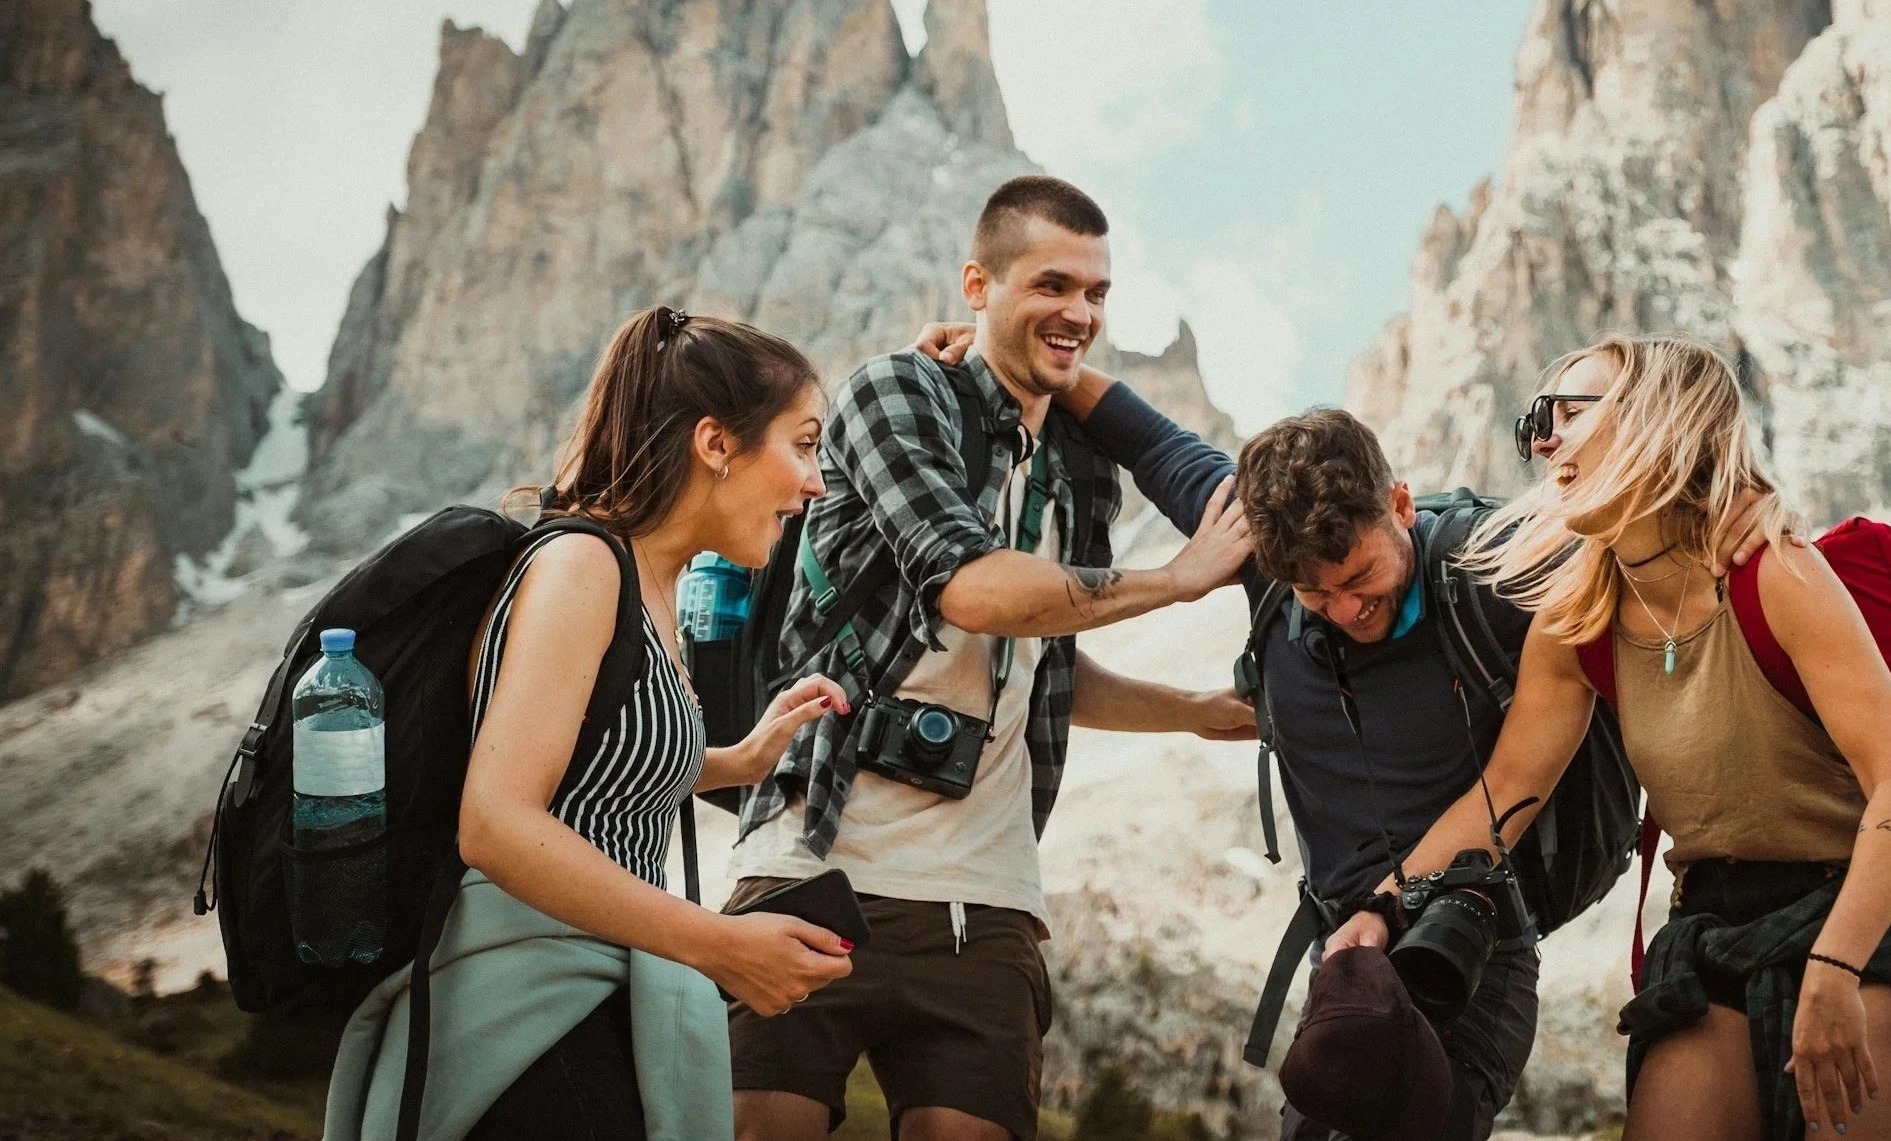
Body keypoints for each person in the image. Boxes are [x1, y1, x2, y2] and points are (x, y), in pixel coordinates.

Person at [903, 329, 1637, 1141]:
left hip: (1469, 941)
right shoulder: (1260, 557)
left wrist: (1390, 908)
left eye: (1362, 577)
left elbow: (1537, 745)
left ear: (1399, 503)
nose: (1349, 610)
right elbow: (1149, 439)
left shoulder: (1494, 565)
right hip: (1349, 958)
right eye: (1314, 595)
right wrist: (1012, 347)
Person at [1335, 335, 1891, 1141]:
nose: (1542, 440)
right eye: (1534, 423)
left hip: (1860, 905)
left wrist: (1836, 967)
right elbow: (1505, 790)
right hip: (1711, 921)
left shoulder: (1776, 573)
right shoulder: (1576, 618)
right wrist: (1382, 903)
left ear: (1660, 417)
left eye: (1565, 414)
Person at [729, 176, 1257, 1141]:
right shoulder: (896, 392)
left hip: (989, 897)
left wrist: (1192, 708)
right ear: (978, 282)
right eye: (1053, 284)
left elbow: (1040, 665)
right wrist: (1176, 580)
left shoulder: (1080, 462)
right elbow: (969, 587)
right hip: (816, 858)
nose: (1081, 312)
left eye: (1098, 293)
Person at [331, 306, 863, 1141]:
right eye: (802, 443)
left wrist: (737, 759)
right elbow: (497, 823)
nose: (816, 481)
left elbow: (590, 768)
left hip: (591, 999)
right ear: (716, 444)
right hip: (525, 1019)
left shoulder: (651, 588)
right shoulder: (583, 565)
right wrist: (720, 946)